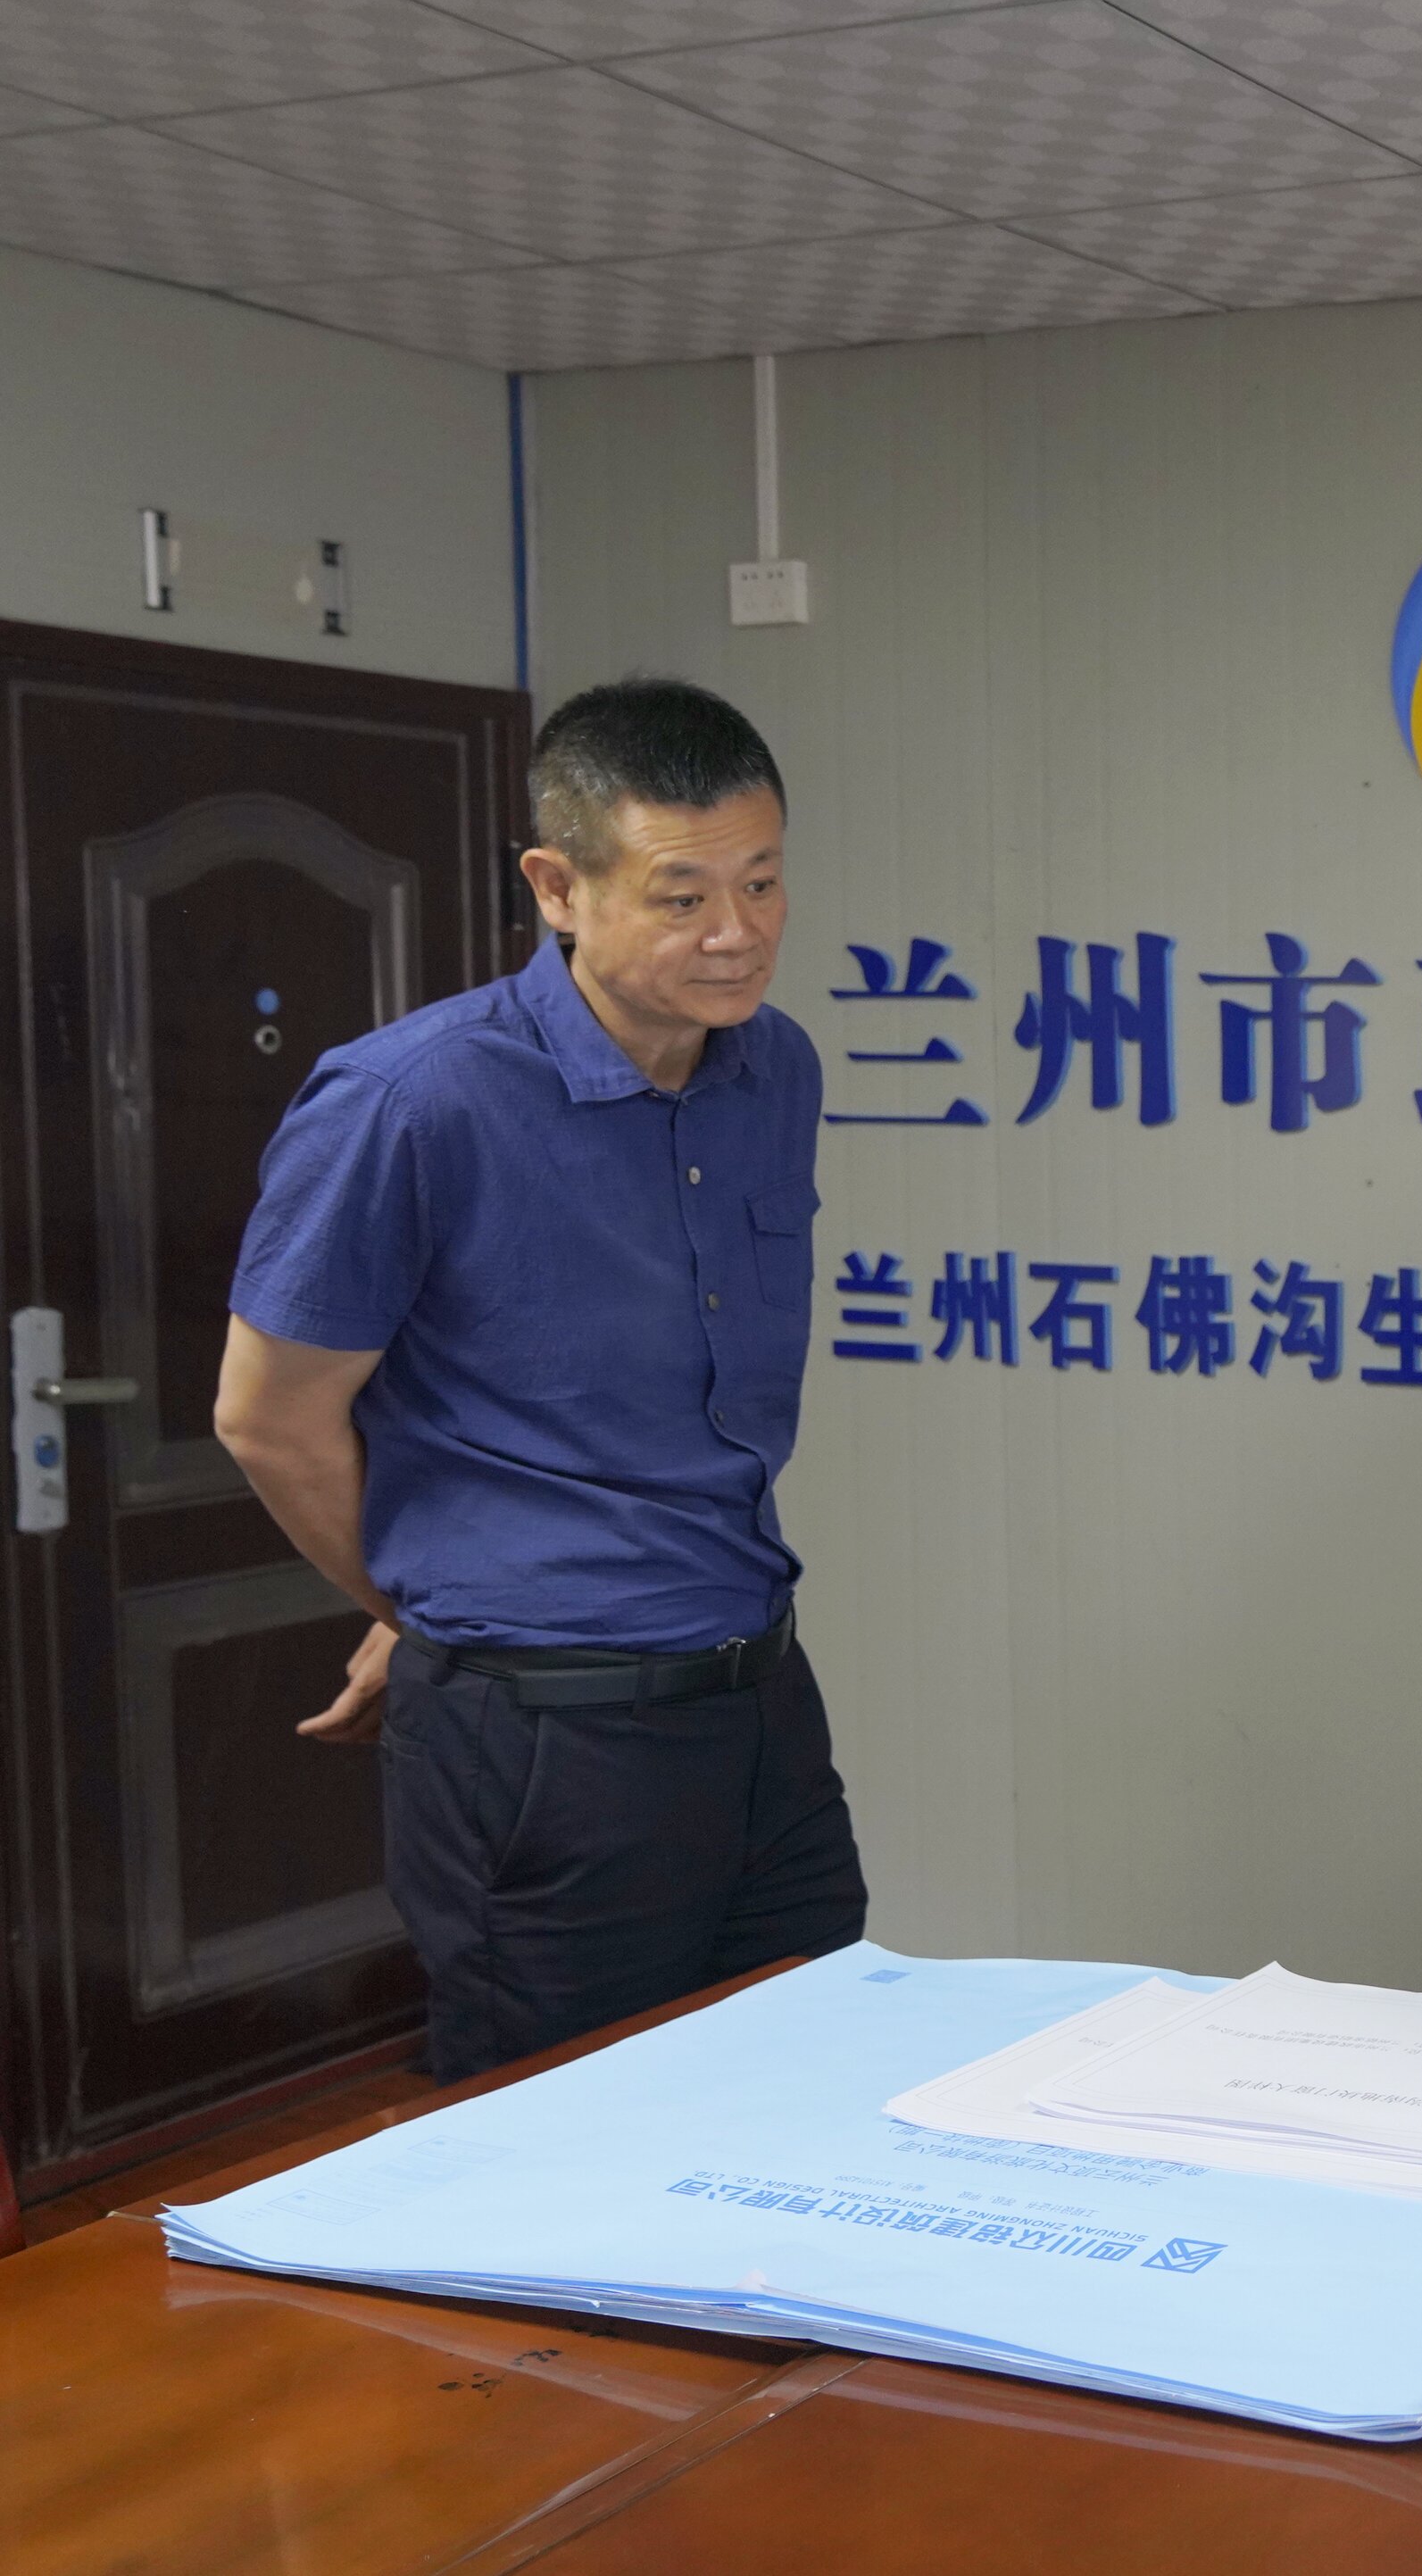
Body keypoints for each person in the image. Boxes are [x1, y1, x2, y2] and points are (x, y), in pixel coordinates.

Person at [215, 677, 863, 2082]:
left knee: (804, 2090)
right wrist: (431, 1610)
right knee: (567, 2142)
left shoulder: (777, 1071)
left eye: (761, 882)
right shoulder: (412, 1101)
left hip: (760, 1699)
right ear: (558, 888)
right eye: (682, 896)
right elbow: (268, 1418)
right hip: (547, 1745)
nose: (738, 931)